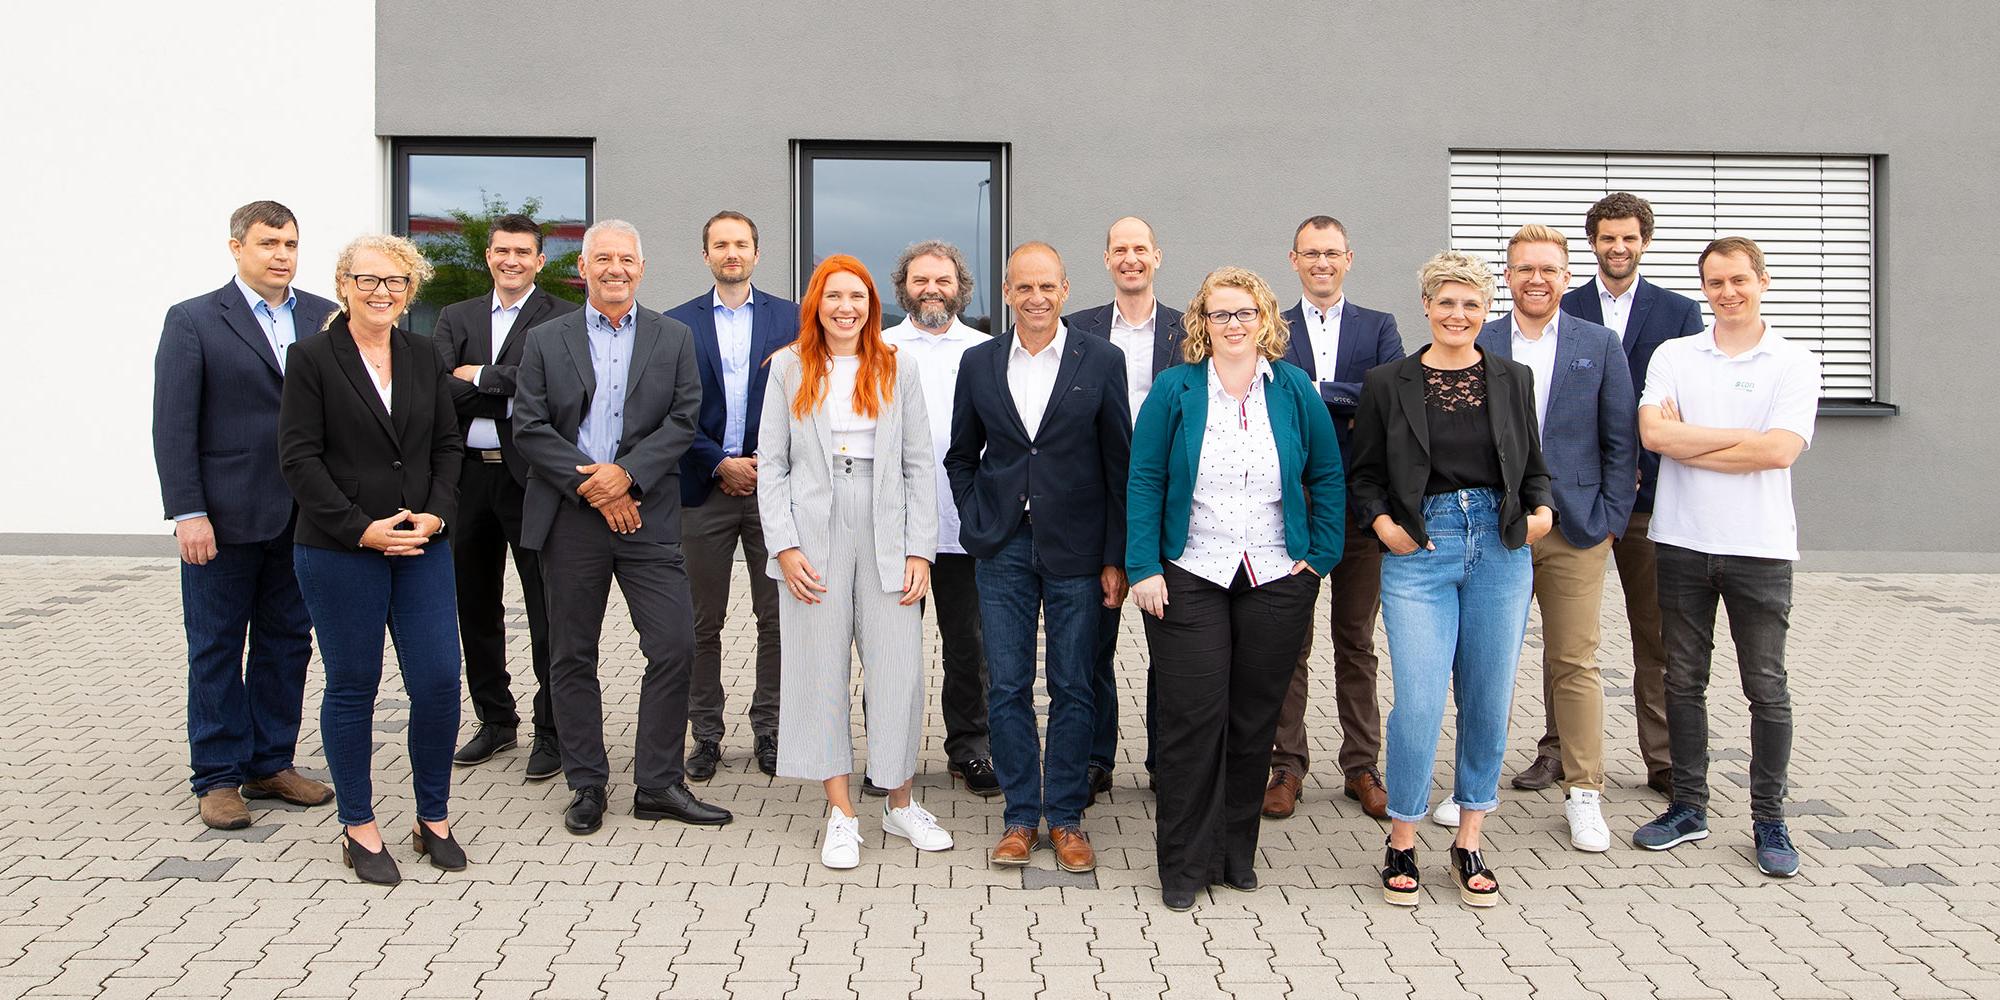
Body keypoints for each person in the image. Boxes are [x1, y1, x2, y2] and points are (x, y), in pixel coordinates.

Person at [1127, 266, 1344, 911]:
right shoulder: (1175, 389)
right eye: (1220, 314)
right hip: (1188, 572)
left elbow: (1328, 474)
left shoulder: (1294, 389)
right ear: (1202, 322)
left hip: (1277, 575)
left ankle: (1233, 854)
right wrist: (1143, 567)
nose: (1233, 325)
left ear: (1265, 319)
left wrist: (1321, 558)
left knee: (1254, 722)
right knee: (1193, 720)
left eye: (1244, 313)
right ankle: (1183, 865)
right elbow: (1143, 479)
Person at [511, 219, 732, 836]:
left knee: (674, 644)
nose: (615, 269)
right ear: (582, 268)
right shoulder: (545, 339)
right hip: (571, 516)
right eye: (602, 259)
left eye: (626, 259)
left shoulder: (673, 337)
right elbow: (528, 427)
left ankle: (658, 782)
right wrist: (598, 486)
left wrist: (626, 477)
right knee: (571, 652)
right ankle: (586, 783)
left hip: (647, 514)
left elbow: (684, 420)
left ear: (643, 267)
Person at [1349, 250, 1555, 907]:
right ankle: (1402, 839)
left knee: (1488, 698)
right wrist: (1383, 527)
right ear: (1427, 307)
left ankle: (1469, 837)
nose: (1457, 314)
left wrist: (1541, 514)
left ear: (1485, 309)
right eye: (1446, 302)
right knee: (1419, 701)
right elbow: (1365, 474)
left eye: (1470, 303)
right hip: (1421, 549)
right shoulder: (1389, 382)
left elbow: (1532, 464)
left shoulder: (1512, 378)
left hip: (1499, 547)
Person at [277, 234, 464, 885]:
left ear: (409, 291)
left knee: (440, 679)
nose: (381, 292)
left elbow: (447, 444)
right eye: (368, 280)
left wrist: (437, 513)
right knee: (354, 685)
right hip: (339, 550)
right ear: (344, 285)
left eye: (395, 282)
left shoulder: (421, 354)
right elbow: (298, 459)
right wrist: (363, 530)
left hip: (422, 545)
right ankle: (358, 826)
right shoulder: (311, 358)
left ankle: (432, 817)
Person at [1632, 236, 1819, 879]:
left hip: (1759, 549)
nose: (1728, 293)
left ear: (1761, 281)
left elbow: (1779, 453)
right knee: (1682, 681)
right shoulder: (1676, 353)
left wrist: (1695, 442)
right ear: (1703, 288)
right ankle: (1689, 807)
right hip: (1681, 540)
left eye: (1739, 280)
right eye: (1715, 283)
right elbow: (1654, 435)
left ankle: (1769, 818)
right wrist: (1745, 433)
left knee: (1765, 687)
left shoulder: (1792, 362)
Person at [758, 254, 950, 868]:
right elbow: (773, 465)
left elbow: (921, 464)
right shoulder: (788, 368)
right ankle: (841, 813)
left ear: (873, 306)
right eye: (834, 296)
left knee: (898, 670)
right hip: (815, 525)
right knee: (819, 669)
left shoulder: (897, 365)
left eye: (858, 298)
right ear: (817, 302)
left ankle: (899, 801)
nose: (846, 308)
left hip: (886, 523)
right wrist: (783, 546)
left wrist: (921, 548)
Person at [946, 242, 1130, 873]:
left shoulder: (1100, 360)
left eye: (1047, 287)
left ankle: (1068, 818)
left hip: (1079, 548)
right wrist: (977, 520)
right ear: (1006, 293)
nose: (1036, 298)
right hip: (1002, 547)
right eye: (1024, 287)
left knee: (1077, 684)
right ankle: (1022, 817)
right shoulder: (979, 361)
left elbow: (1117, 464)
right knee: (1008, 686)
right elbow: (961, 455)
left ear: (1065, 290)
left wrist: (1116, 556)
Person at [153, 200, 337, 831]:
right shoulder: (195, 320)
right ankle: (217, 776)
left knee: (288, 643)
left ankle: (270, 762)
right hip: (223, 518)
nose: (281, 255)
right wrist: (188, 512)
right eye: (268, 244)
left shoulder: (323, 315)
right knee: (215, 646)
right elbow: (173, 426)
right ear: (237, 248)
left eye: (290, 243)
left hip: (306, 516)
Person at [1468, 225, 1636, 853]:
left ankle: (1585, 792)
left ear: (1567, 277)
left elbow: (1621, 440)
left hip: (1575, 528)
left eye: (1548, 269)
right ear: (1505, 277)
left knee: (1574, 660)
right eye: (1522, 268)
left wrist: (1611, 518)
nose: (1535, 279)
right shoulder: (1478, 338)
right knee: (1485, 660)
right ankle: (1471, 785)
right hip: (1493, 526)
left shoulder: (1599, 343)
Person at [1557, 193, 1706, 796]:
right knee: (1569, 639)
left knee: (1656, 633)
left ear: (1645, 241)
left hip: (1651, 498)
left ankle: (1665, 756)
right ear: (1592, 242)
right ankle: (1556, 751)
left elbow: (1688, 403)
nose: (1618, 248)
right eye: (1607, 238)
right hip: (1576, 502)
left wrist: (1643, 463)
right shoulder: (1562, 306)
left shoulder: (1677, 312)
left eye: (1629, 238)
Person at [1266, 215, 1406, 822]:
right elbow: (1270, 399)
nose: (1322, 263)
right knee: (1288, 646)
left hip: (1360, 513)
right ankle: (1285, 766)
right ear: (1293, 260)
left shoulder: (1380, 326)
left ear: (1349, 258)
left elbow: (1390, 398)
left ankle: (1361, 767)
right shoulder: (1273, 327)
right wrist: (1345, 395)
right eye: (1310, 254)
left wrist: (1318, 390)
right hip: (1290, 513)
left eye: (1332, 253)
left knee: (1356, 642)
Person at [432, 213, 580, 779]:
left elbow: (553, 393)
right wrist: (507, 386)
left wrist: (482, 378)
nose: (511, 260)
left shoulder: (563, 318)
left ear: (540, 261)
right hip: (466, 480)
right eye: (502, 251)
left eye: (523, 252)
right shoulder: (456, 316)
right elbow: (440, 390)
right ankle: (496, 720)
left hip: (532, 480)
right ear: (488, 257)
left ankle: (552, 730)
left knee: (546, 608)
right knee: (474, 605)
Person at [665, 211, 798, 782]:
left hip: (776, 490)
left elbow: (808, 399)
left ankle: (770, 729)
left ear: (757, 252)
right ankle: (706, 735)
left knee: (777, 618)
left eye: (741, 243)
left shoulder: (794, 319)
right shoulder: (674, 325)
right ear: (706, 255)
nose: (731, 253)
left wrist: (765, 464)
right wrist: (719, 461)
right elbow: (669, 411)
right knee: (702, 620)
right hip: (705, 488)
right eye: (720, 245)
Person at [1064, 216, 1185, 801]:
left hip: (1174, 501)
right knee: (1094, 637)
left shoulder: (1191, 331)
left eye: (1141, 248)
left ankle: (1168, 758)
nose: (1131, 258)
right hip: (1101, 499)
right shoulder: (1076, 328)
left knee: (1175, 637)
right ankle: (1094, 757)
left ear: (1157, 256)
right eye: (1120, 250)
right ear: (1106, 259)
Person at [881, 240, 999, 798]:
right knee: (890, 647)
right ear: (903, 286)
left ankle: (970, 749)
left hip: (963, 526)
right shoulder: (878, 348)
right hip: (894, 529)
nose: (932, 289)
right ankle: (888, 753)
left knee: (968, 647)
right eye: (921, 280)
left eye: (943, 280)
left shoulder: (986, 350)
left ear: (961, 288)